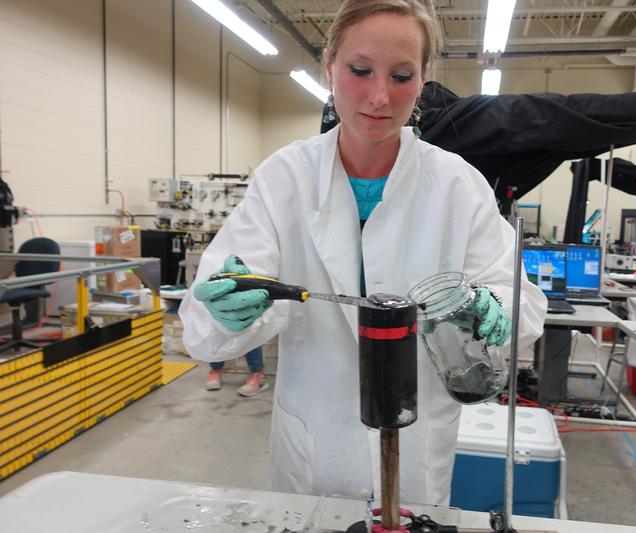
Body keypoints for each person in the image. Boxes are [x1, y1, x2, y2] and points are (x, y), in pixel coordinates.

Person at [179, 0, 546, 506]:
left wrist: (493, 308)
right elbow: (204, 327)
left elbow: (519, 298)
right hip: (314, 439)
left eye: (401, 76)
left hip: (418, 441)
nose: (379, 96)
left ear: (423, 80)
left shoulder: (458, 184)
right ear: (329, 68)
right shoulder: (284, 178)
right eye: (359, 70)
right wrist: (226, 308)